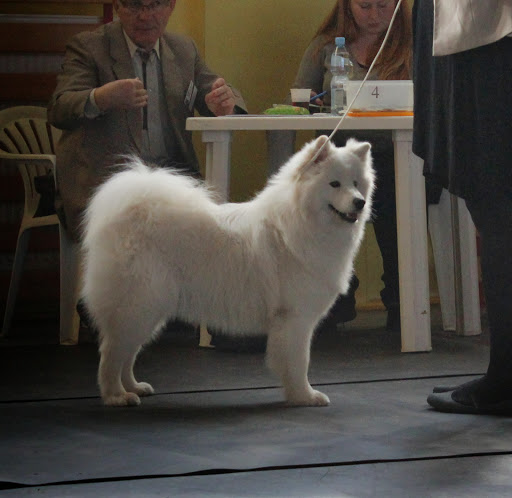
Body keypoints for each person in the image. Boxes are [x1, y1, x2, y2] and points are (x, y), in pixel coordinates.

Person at [48, 0, 247, 243]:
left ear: (171, 5)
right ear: (117, 6)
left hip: (175, 183)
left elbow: (218, 91)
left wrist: (224, 102)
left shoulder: (184, 49)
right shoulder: (89, 47)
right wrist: (101, 98)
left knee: (221, 233)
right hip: (109, 187)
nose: (145, 15)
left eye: (155, 5)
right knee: (151, 235)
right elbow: (59, 107)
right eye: (134, 6)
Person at [413, 0, 512, 415]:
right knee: (494, 206)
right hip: (472, 31)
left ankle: (506, 379)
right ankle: (505, 372)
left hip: (488, 35)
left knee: (498, 205)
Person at [291, 0, 412, 332]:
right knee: (324, 194)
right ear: (347, 6)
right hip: (339, 159)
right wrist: (315, 101)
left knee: (392, 193)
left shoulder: (413, 43)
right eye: (364, 6)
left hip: (395, 154)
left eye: (383, 6)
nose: (374, 16)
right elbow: (299, 100)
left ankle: (402, 298)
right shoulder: (326, 47)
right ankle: (336, 294)